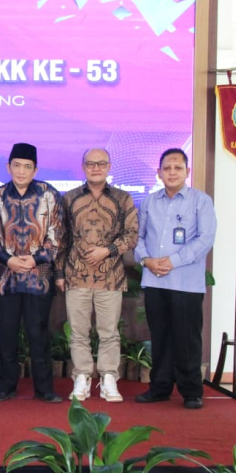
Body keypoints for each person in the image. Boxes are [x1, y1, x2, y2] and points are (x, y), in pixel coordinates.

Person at [134, 148, 216, 410]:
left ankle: (191, 391)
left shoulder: (201, 201)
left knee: (187, 338)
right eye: (167, 168)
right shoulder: (149, 202)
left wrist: (174, 261)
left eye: (177, 168)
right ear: (158, 173)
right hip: (154, 281)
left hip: (185, 282)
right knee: (160, 337)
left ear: (187, 172)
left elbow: (205, 239)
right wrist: (146, 260)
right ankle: (159, 388)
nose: (172, 173)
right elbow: (138, 237)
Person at [55, 148, 138, 403]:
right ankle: (81, 376)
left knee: (109, 332)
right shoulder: (69, 198)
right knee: (78, 332)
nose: (96, 168)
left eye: (101, 163)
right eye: (90, 164)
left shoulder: (123, 198)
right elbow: (61, 238)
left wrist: (107, 250)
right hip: (76, 275)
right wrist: (59, 272)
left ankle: (108, 378)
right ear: (83, 167)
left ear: (109, 166)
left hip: (110, 277)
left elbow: (132, 235)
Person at [0, 143, 64, 403]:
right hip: (4, 278)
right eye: (17, 166)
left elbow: (57, 236)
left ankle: (45, 389)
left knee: (38, 334)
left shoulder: (49, 195)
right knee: (5, 334)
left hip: (38, 278)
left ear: (35, 170)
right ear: (8, 167)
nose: (21, 171)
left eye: (27, 167)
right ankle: (4, 387)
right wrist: (8, 260)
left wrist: (35, 259)